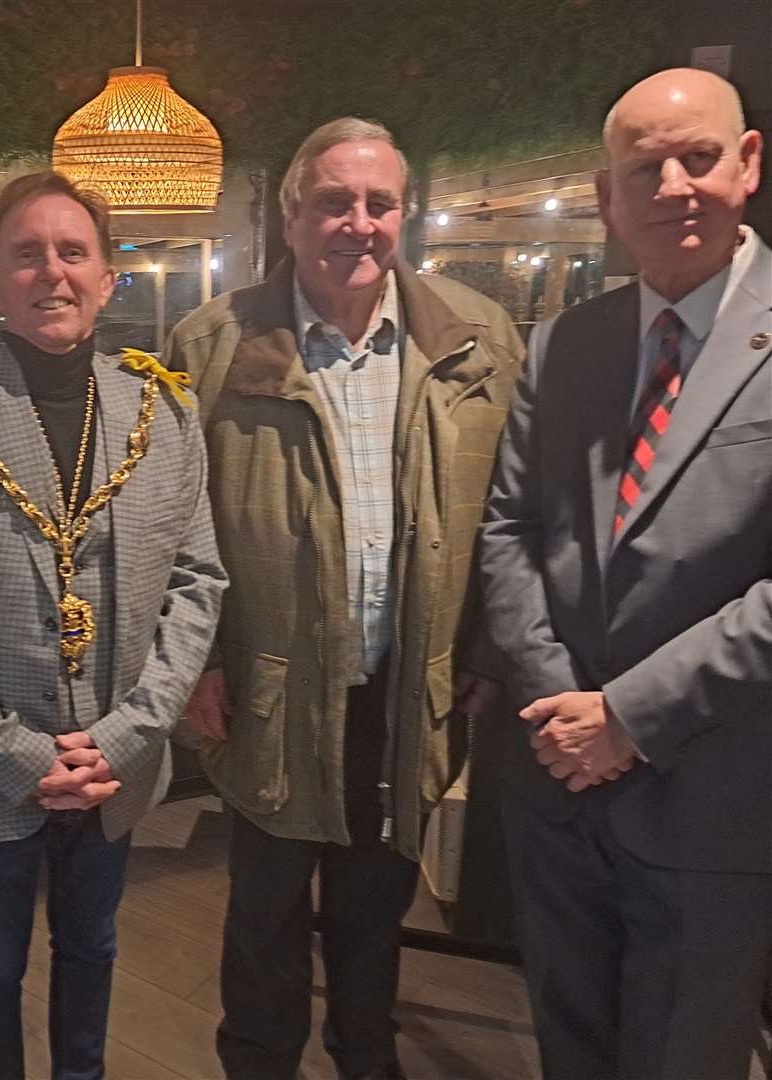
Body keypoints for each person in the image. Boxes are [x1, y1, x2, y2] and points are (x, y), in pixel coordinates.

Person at [165, 117, 521, 1080]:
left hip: (407, 696)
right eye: (335, 202)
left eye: (380, 203)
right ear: (291, 215)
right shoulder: (209, 344)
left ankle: (369, 1061)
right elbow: (166, 525)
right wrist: (193, 663)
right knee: (265, 923)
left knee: (375, 921)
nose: (358, 224)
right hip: (268, 700)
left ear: (404, 212)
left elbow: (509, 514)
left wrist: (487, 652)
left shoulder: (477, 338)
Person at [0, 170, 226, 1080]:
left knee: (95, 949)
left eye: (74, 252)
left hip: (118, 759)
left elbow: (198, 582)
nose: (52, 273)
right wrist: (23, 754)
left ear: (111, 277)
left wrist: (126, 736)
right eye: (26, 255)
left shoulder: (167, 408)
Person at [480, 68, 770, 1079]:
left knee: (688, 1056)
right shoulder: (568, 340)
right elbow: (509, 527)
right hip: (559, 787)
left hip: (716, 798)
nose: (674, 185)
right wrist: (564, 708)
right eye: (644, 167)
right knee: (572, 1048)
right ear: (608, 196)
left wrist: (630, 718)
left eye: (699, 158)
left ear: (749, 162)